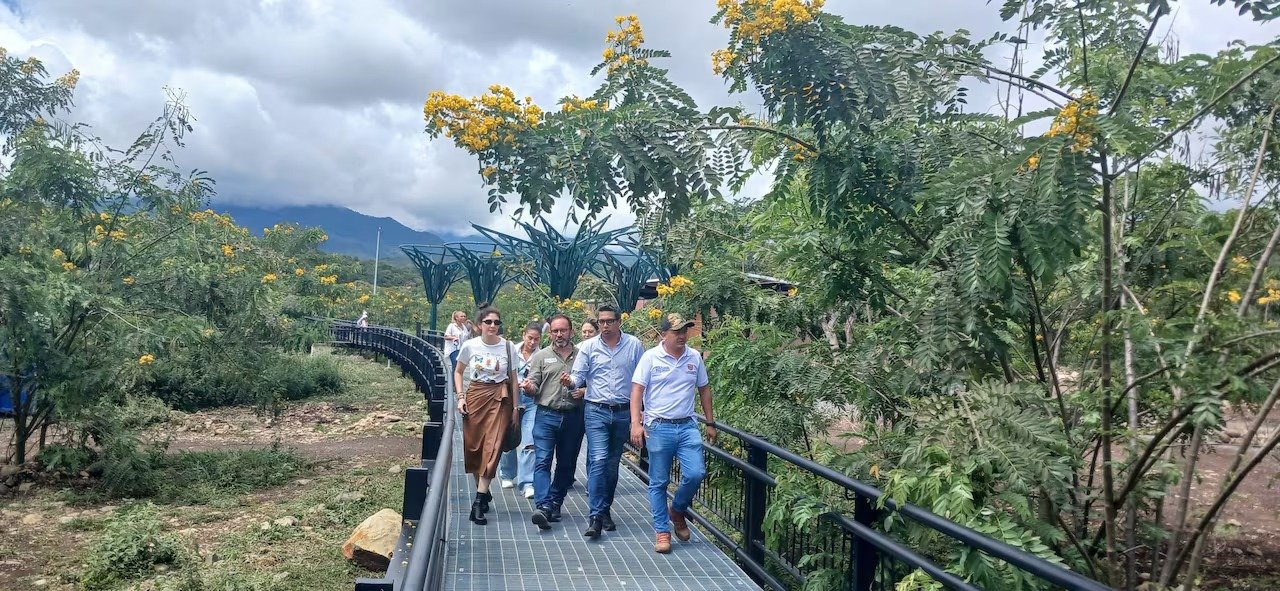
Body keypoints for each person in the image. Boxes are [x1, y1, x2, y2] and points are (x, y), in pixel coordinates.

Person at [629, 313, 716, 553]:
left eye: (684, 331)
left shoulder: (694, 357)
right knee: (659, 481)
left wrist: (710, 423)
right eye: (676, 332)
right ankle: (662, 531)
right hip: (658, 426)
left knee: (696, 473)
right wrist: (636, 423)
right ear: (663, 334)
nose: (681, 336)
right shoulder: (650, 358)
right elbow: (637, 390)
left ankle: (677, 510)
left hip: (687, 425)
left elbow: (704, 389)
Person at [561, 305, 644, 538]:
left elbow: (641, 380)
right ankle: (595, 516)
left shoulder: (634, 345)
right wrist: (571, 382)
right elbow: (579, 375)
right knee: (597, 459)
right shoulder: (588, 347)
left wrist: (641, 413)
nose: (605, 325)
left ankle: (604, 509)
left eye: (609, 321)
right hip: (596, 409)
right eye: (602, 322)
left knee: (611, 463)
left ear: (619, 322)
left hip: (622, 411)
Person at [454, 307, 519, 526]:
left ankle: (478, 501)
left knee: (493, 447)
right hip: (475, 395)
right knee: (475, 448)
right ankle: (483, 491)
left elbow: (514, 379)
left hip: (500, 398)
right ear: (479, 324)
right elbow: (458, 371)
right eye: (488, 321)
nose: (493, 326)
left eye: (496, 322)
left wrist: (516, 409)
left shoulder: (508, 347)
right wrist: (460, 396)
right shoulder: (470, 346)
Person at [521, 314, 585, 530]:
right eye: (555, 331)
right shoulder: (541, 357)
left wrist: (582, 390)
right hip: (546, 415)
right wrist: (530, 388)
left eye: (563, 330)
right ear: (550, 333)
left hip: (573, 417)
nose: (559, 334)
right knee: (543, 460)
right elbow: (534, 386)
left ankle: (555, 502)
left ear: (571, 332)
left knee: (566, 464)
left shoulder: (582, 355)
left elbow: (593, 383)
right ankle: (543, 505)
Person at [498, 322, 542, 498]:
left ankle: (528, 482)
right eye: (530, 338)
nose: (532, 342)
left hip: (532, 401)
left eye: (536, 339)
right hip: (511, 399)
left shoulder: (542, 355)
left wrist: (531, 385)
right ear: (524, 335)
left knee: (530, 439)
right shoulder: (511, 350)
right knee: (509, 435)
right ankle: (507, 473)